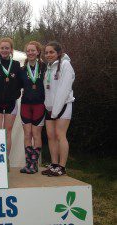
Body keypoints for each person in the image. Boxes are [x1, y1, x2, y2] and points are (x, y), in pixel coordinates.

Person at [42, 41, 75, 176]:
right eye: (46, 52)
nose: (48, 55)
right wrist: (48, 106)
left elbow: (64, 89)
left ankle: (62, 167)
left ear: (58, 53)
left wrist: (56, 110)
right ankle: (54, 164)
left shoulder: (66, 65)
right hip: (49, 107)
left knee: (60, 135)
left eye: (51, 52)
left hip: (63, 105)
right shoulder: (48, 67)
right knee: (51, 136)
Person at [0, 38, 22, 168]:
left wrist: (16, 94)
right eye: (2, 48)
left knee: (8, 132)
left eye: (7, 48)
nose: (4, 50)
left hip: (11, 103)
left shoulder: (16, 64)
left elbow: (20, 82)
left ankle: (6, 160)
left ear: (11, 50)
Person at [19, 41, 46, 174]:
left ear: (38, 52)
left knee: (36, 134)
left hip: (39, 105)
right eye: (28, 51)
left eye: (33, 50)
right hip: (25, 105)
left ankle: (34, 164)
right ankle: (28, 163)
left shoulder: (44, 67)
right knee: (27, 134)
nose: (30, 53)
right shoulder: (22, 70)